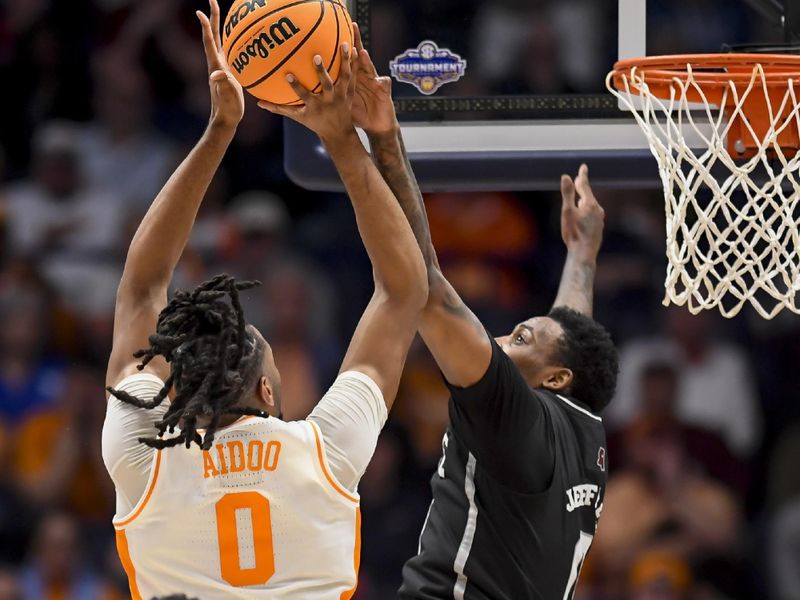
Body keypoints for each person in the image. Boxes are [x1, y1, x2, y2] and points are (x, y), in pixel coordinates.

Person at [101, 3, 428, 599]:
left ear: (173, 389)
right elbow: (406, 287)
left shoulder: (142, 458)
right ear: (269, 393)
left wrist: (217, 129)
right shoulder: (322, 454)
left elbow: (142, 286)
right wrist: (344, 141)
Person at [349, 27, 619, 599]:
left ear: (553, 379)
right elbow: (566, 333)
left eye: (519, 336)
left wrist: (381, 140)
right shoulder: (583, 428)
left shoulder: (515, 416)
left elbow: (426, 284)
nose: (501, 338)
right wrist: (581, 254)